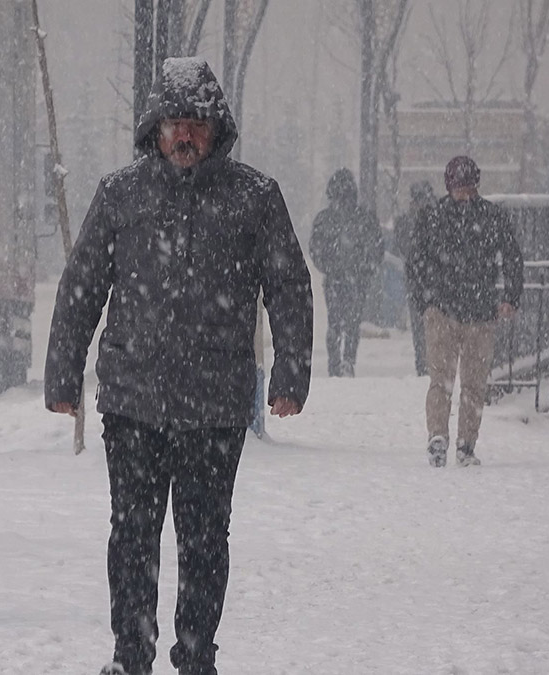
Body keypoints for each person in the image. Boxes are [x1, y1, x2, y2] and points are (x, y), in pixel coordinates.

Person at [43, 57, 313, 675]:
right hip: (133, 401)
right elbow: (82, 284)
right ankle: (130, 655)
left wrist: (291, 375)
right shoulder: (120, 194)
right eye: (173, 125)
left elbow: (288, 285)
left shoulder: (254, 197)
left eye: (195, 124)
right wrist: (64, 374)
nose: (184, 136)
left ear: (216, 129)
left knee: (203, 542)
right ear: (154, 130)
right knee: (132, 539)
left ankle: (196, 656)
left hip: (214, 406)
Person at [407, 156, 523, 468]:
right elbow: (416, 261)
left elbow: (417, 261)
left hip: (467, 310)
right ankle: (444, 438)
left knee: (464, 382)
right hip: (460, 309)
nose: (464, 193)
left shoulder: (436, 217)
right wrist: (425, 302)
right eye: (461, 187)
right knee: (451, 381)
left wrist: (424, 299)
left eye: (467, 186)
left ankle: (460, 442)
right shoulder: (486, 218)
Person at [309, 168, 383, 377]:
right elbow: (376, 247)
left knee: (336, 322)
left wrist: (329, 266)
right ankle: (347, 361)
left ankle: (336, 363)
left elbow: (316, 249)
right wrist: (365, 269)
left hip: (337, 278)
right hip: (353, 278)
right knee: (352, 322)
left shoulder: (326, 219)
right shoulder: (363, 218)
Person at [393, 181, 438, 376]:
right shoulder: (438, 219)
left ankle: (425, 363)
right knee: (430, 326)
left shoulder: (406, 221)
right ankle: (427, 363)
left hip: (420, 280)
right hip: (430, 281)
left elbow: (402, 247)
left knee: (423, 326)